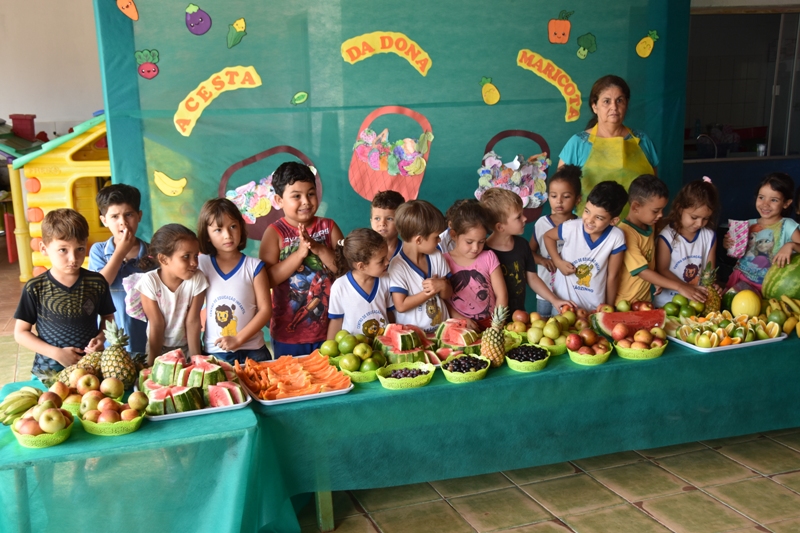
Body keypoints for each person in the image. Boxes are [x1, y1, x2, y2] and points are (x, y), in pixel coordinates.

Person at [14, 209, 115, 381]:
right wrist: (57, 353)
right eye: (63, 250)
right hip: (47, 373)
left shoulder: (97, 283)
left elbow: (108, 317)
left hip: (90, 370)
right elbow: (21, 333)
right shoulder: (35, 288)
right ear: (44, 249)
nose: (73, 258)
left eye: (80, 249)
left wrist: (101, 338)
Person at [259, 162, 343, 357]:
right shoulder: (274, 233)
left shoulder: (329, 227)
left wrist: (319, 248)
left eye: (311, 194)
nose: (306, 201)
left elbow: (345, 270)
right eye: (296, 196)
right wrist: (299, 254)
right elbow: (267, 280)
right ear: (279, 200)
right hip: (288, 335)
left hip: (332, 330)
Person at [558, 75, 659, 218]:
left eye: (619, 100)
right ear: (594, 106)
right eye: (606, 101)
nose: (614, 107)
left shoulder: (642, 141)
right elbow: (561, 190)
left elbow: (655, 188)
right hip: (590, 230)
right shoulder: (578, 143)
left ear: (627, 103)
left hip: (636, 229)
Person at [197, 198, 272, 364]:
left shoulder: (254, 266)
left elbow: (265, 310)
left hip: (254, 351)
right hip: (216, 353)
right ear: (207, 235)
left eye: (233, 226)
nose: (228, 235)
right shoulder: (202, 264)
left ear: (241, 227)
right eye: (218, 229)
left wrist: (238, 339)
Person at [617, 175, 708, 306]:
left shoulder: (650, 225)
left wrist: (656, 281)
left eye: (662, 209)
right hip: (625, 303)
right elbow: (642, 271)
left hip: (644, 302)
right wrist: (680, 287)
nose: (660, 215)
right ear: (636, 207)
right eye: (655, 211)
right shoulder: (625, 233)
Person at [482, 188, 574, 314]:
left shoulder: (522, 245)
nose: (525, 218)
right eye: (518, 217)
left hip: (519, 318)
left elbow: (532, 278)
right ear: (500, 227)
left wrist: (554, 300)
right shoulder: (484, 251)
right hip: (492, 322)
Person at [545, 181, 628, 310]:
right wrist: (558, 262)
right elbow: (548, 236)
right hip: (563, 304)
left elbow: (613, 276)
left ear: (613, 221)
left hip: (594, 307)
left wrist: (609, 308)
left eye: (599, 218)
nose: (589, 220)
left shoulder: (616, 237)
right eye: (587, 211)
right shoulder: (571, 227)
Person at [88, 184, 148, 354]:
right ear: (104, 221)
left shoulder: (152, 253)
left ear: (139, 216)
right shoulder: (99, 251)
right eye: (114, 216)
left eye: (128, 214)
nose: (122, 222)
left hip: (145, 340)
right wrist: (121, 251)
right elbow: (99, 286)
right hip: (109, 344)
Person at [135, 224, 208, 364]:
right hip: (158, 348)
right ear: (163, 259)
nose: (194, 263)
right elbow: (156, 324)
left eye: (196, 256)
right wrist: (151, 364)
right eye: (186, 257)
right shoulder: (149, 282)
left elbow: (193, 321)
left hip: (187, 347)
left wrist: (196, 360)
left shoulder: (197, 279)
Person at [724, 172, 800, 294]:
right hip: (740, 281)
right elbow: (734, 250)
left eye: (774, 200)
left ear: (786, 203)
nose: (765, 204)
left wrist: (791, 245)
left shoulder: (788, 226)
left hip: (767, 287)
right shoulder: (748, 224)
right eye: (761, 197)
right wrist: (727, 243)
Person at [442, 199, 507, 330]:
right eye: (469, 242)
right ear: (454, 235)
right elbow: (442, 300)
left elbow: (502, 295)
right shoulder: (443, 261)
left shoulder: (489, 257)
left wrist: (497, 325)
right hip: (459, 326)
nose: (475, 248)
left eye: (481, 241)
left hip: (492, 324)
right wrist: (461, 319)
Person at [654, 178, 720, 307]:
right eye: (694, 217)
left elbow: (709, 272)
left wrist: (712, 287)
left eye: (705, 219)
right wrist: (684, 288)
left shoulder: (709, 236)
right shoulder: (667, 236)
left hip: (697, 304)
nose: (699, 224)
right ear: (679, 209)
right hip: (667, 303)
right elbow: (662, 269)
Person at [388, 200, 452, 333]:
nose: (439, 240)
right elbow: (401, 305)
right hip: (413, 337)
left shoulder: (436, 256)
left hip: (443, 330)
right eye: (436, 237)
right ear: (418, 240)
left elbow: (447, 295)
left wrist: (443, 286)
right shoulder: (397, 266)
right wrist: (430, 292)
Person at [530, 165, 582, 317]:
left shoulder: (581, 226)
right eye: (553, 196)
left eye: (566, 197)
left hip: (571, 293)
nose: (559, 201)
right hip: (545, 291)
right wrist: (541, 260)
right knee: (543, 329)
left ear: (577, 199)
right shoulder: (541, 224)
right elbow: (529, 252)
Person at [328, 228, 394, 339]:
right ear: (361, 266)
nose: (388, 262)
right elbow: (336, 321)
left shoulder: (386, 280)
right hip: (353, 351)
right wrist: (328, 352)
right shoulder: (340, 287)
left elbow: (391, 314)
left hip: (383, 348)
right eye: (381, 260)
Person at [371, 190, 405, 260]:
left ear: (401, 222)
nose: (382, 224)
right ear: (371, 221)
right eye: (377, 218)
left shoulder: (407, 252)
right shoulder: (363, 250)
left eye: (389, 219)